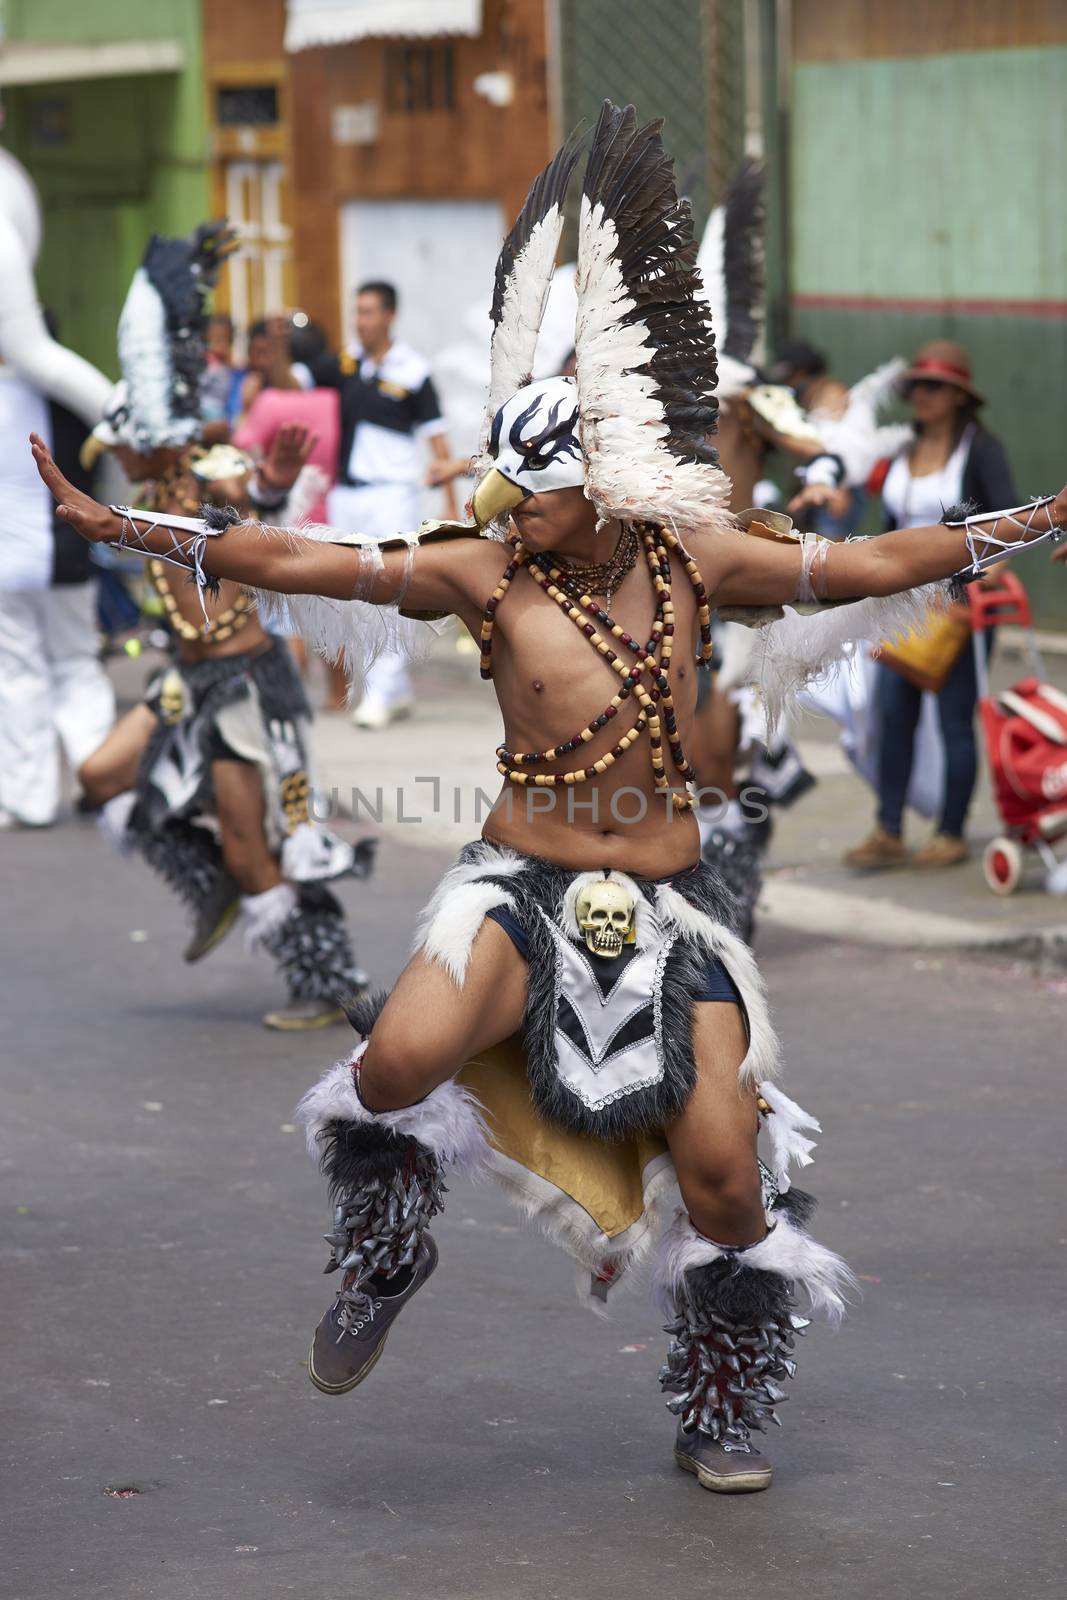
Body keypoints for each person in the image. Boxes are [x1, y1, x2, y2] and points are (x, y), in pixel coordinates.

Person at [30, 105, 1067, 1496]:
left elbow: (874, 565)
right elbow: (315, 563)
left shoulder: (702, 559)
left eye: (538, 497)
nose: (510, 510)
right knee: (391, 1068)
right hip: (510, 893)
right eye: (506, 495)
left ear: (602, 491)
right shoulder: (481, 569)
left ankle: (720, 1399)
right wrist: (142, 527)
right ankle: (388, 1250)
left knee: (720, 1181)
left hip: (668, 913)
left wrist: (1032, 518)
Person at [72, 222, 374, 1029]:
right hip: (186, 681)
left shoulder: (213, 472)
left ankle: (328, 980)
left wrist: (272, 490)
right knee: (102, 778)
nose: (118, 461)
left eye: (122, 447)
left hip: (243, 687)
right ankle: (215, 887)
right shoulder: (148, 484)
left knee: (258, 845)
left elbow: (252, 513)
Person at [842, 340, 1017, 870]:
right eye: (916, 385)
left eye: (934, 386)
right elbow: (888, 532)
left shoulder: (981, 451)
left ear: (959, 396)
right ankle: (888, 827)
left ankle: (951, 831)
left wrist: (978, 587)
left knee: (954, 721)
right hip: (902, 605)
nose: (922, 395)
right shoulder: (900, 448)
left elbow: (1011, 529)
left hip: (959, 608)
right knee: (892, 715)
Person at [313, 279, 459, 728]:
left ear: (390, 316)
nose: (361, 321)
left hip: (392, 494)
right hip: (346, 493)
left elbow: (437, 442)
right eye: (357, 312)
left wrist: (451, 507)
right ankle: (390, 689)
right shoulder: (343, 365)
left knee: (388, 591)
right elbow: (295, 384)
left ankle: (381, 690)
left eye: (369, 312)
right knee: (351, 596)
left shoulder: (413, 370)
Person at [0, 352, 114, 829]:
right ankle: (103, 785)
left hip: (7, 563)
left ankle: (30, 798)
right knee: (77, 667)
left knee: (17, 675)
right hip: (69, 555)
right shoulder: (73, 397)